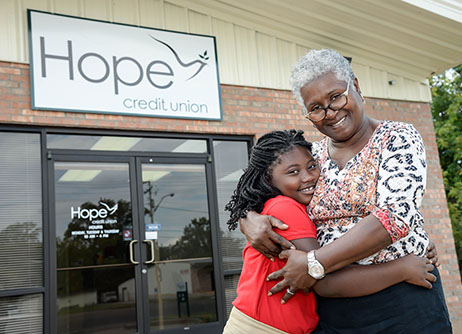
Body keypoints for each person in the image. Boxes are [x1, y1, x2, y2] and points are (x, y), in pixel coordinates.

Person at [240, 49, 452, 333]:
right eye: (315, 108)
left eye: (336, 96)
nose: (330, 113)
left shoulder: (397, 138)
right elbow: (259, 190)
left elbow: (394, 218)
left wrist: (313, 264)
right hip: (333, 310)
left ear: (356, 86)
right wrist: (247, 218)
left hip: (404, 299)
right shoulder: (310, 159)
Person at [223, 129, 437, 334]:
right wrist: (402, 269)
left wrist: (413, 239)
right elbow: (323, 281)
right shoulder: (285, 209)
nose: (308, 177)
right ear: (268, 180)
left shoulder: (295, 203)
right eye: (293, 172)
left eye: (312, 166)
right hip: (262, 328)